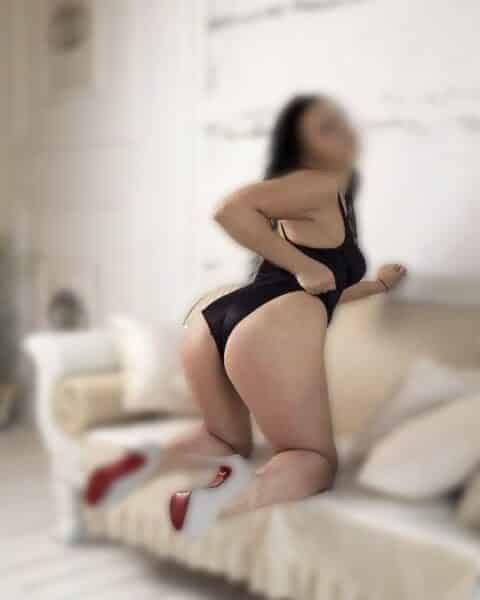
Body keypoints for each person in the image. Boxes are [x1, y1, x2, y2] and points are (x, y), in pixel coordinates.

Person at [83, 93, 407, 538]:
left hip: (217, 321)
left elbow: (327, 287)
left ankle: (143, 463)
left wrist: (379, 286)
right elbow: (229, 211)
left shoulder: (332, 197)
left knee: (224, 439)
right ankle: (224, 496)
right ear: (302, 146)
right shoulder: (317, 185)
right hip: (269, 326)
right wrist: (302, 265)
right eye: (327, 128)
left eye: (341, 121)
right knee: (312, 459)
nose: (346, 131)